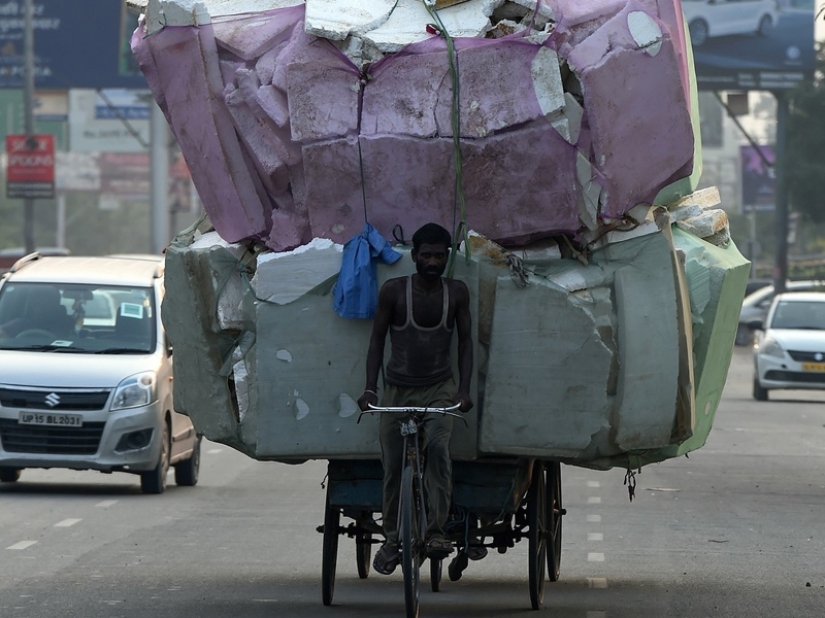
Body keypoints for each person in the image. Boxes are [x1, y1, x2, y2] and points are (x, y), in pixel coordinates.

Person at [357, 222, 474, 576]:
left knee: (438, 451)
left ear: (447, 256)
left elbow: (466, 343)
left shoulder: (456, 293)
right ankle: (392, 538)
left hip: (439, 387)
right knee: (393, 465)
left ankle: (437, 532)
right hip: (397, 388)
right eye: (426, 255)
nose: (433, 261)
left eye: (440, 255)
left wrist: (463, 390)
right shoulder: (393, 291)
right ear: (415, 256)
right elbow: (376, 341)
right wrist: (370, 389)